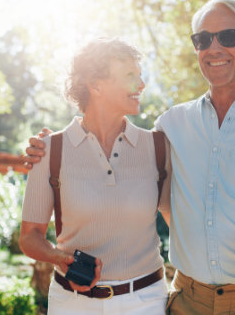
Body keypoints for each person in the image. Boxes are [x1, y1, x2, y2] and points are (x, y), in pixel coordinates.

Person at [25, 0, 235, 314]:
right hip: (188, 300)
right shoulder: (172, 125)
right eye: (203, 40)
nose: (213, 48)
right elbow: (105, 139)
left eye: (227, 37)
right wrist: (53, 144)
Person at [19, 37, 171, 315]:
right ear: (95, 84)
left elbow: (183, 223)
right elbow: (30, 236)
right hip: (71, 304)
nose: (141, 84)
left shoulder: (158, 147)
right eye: (130, 76)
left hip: (146, 301)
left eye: (140, 75)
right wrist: (59, 258)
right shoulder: (50, 151)